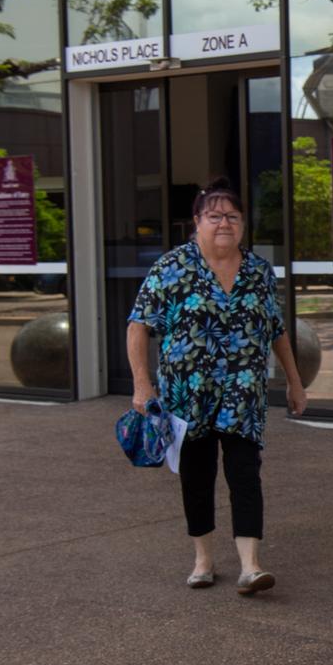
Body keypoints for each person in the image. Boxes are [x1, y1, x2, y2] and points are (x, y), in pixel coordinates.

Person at [127, 177, 306, 595]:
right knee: (197, 475)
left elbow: (277, 331)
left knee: (246, 475)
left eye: (233, 216)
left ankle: (250, 566)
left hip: (244, 395)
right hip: (187, 396)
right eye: (215, 215)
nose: (224, 223)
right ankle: (203, 560)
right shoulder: (171, 268)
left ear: (243, 224)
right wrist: (141, 384)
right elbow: (138, 326)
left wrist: (295, 382)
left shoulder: (259, 271)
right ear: (197, 221)